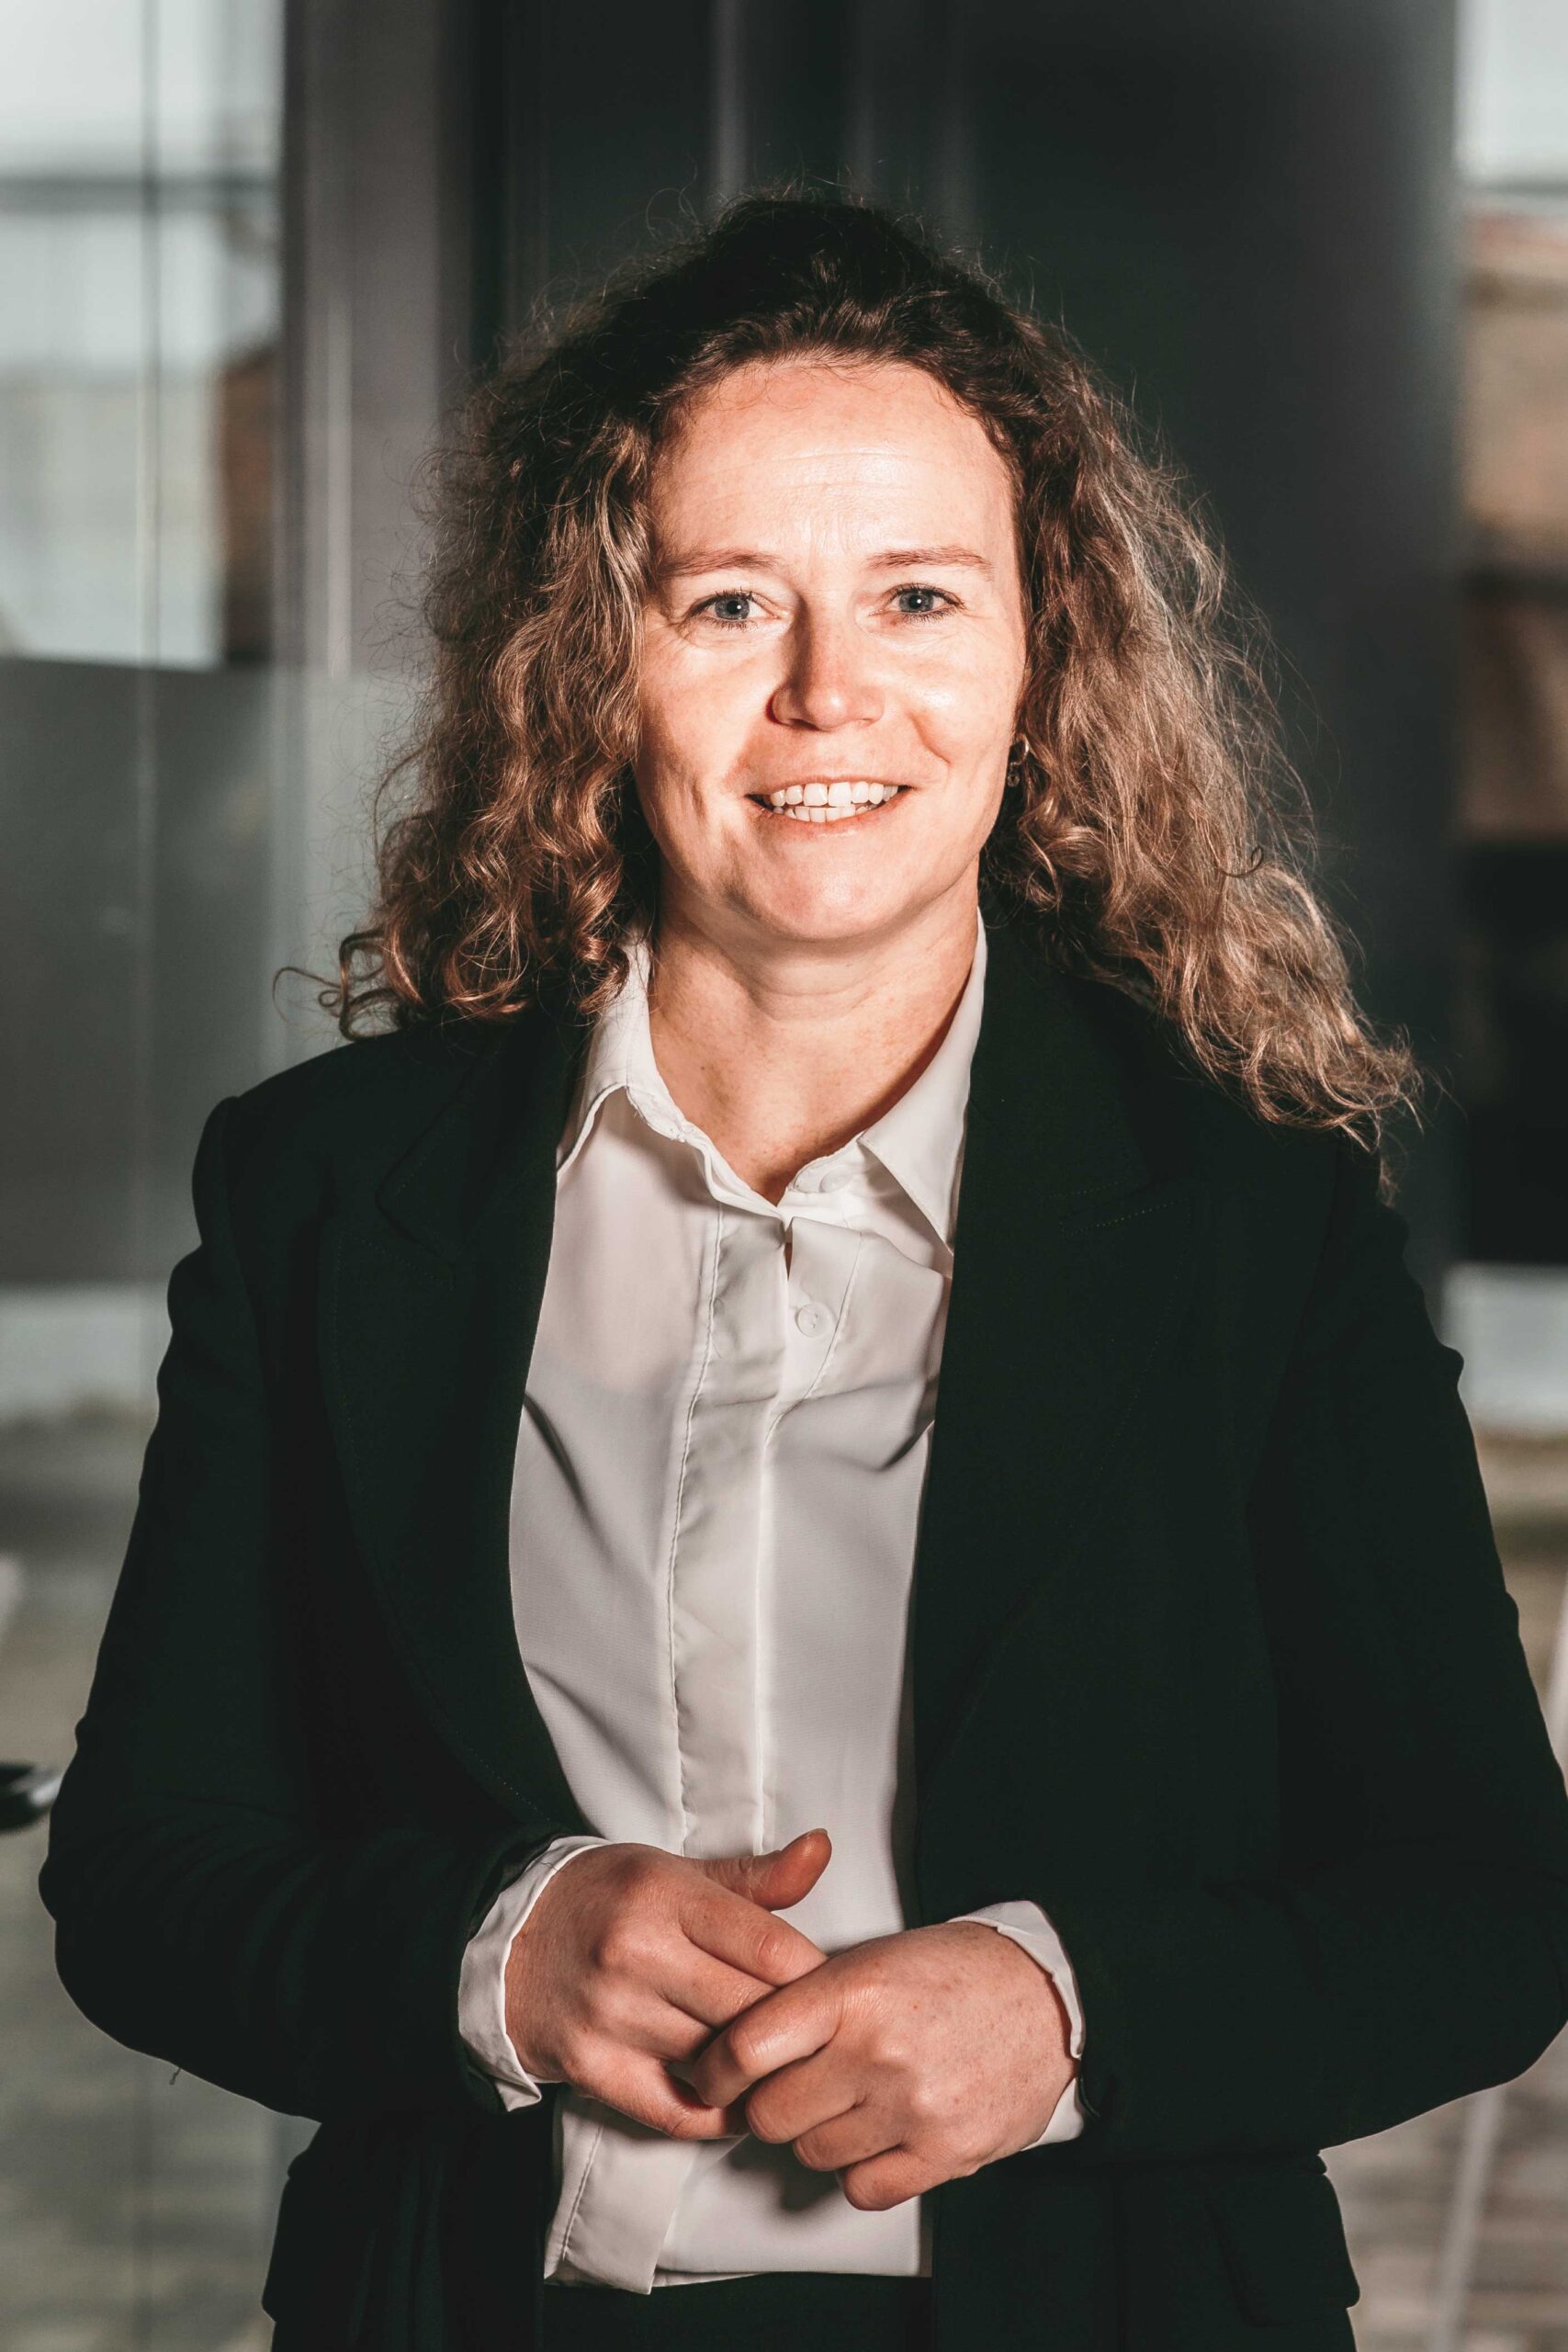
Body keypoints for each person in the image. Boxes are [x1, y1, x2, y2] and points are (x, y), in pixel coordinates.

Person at [39, 192, 1568, 2352]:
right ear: (594, 659)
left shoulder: (1252, 1213)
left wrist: (1065, 2009)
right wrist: (495, 1947)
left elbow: (1482, 1906)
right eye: (729, 600)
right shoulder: (329, 1190)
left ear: (1038, 657)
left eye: (917, 595)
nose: (830, 691)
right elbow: (145, 1870)